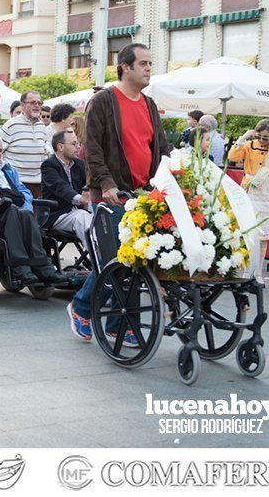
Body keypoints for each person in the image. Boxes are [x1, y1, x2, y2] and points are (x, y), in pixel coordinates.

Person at [67, 43, 172, 342]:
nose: (149, 68)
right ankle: (81, 306)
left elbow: (161, 148)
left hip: (144, 194)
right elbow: (93, 148)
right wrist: (106, 183)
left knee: (137, 260)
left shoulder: (149, 105)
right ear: (125, 67)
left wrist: (173, 175)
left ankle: (117, 324)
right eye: (143, 63)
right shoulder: (103, 101)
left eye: (151, 63)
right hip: (112, 195)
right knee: (114, 258)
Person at [0, 133, 65, 286]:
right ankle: (19, 267)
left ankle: (43, 266)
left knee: (25, 214)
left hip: (14, 210)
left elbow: (24, 191)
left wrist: (26, 208)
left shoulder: (8, 168)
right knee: (14, 211)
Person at [227, 119, 269, 284]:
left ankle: (258, 271)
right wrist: (243, 137)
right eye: (260, 137)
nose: (263, 140)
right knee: (247, 232)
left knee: (263, 236)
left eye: (266, 137)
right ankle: (245, 268)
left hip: (267, 194)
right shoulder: (249, 146)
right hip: (250, 191)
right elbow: (232, 156)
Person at [41, 130, 91, 246]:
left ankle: (112, 255)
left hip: (79, 211)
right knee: (81, 217)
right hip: (57, 214)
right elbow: (60, 187)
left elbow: (91, 181)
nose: (78, 147)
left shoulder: (79, 164)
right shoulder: (48, 165)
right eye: (74, 144)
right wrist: (81, 199)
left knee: (102, 214)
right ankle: (98, 257)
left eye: (78, 144)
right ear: (61, 146)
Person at [0, 90, 50, 197]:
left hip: (38, 183)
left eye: (39, 103)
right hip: (17, 182)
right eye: (33, 102)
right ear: (22, 105)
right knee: (20, 213)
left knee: (35, 213)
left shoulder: (41, 126)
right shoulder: (11, 125)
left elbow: (44, 150)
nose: (37, 106)